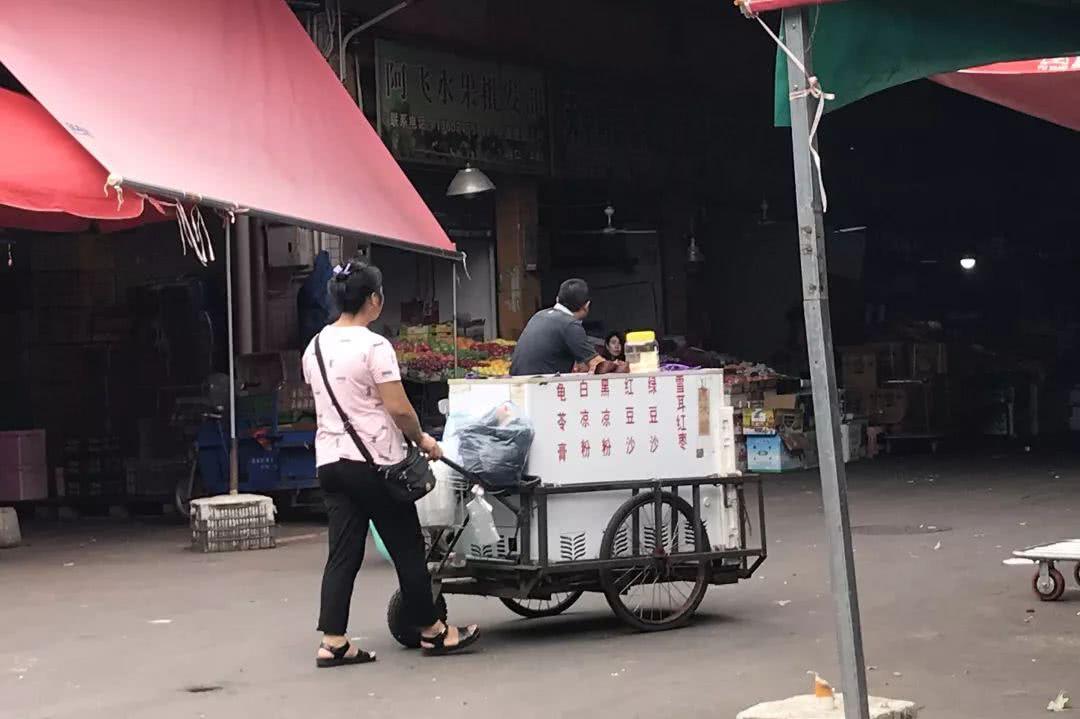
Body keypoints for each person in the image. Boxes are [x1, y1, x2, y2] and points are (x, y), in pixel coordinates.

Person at [302, 258, 480, 668]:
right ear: (374, 300)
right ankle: (434, 632)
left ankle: (333, 641)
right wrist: (423, 439)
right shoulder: (373, 345)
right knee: (407, 548)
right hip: (375, 464)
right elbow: (398, 408)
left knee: (342, 553)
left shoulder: (314, 347)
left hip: (330, 462)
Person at [510, 278, 603, 376]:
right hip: (542, 386)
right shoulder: (570, 325)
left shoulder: (539, 315)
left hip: (517, 383)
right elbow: (598, 365)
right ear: (587, 305)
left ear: (557, 299)